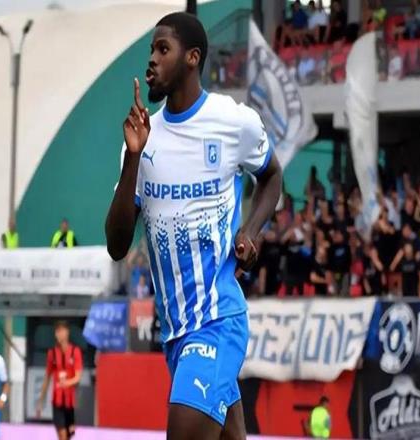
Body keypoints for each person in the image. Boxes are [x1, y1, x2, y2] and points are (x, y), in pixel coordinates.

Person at [105, 12, 282, 440]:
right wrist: (133, 158)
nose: (152, 59)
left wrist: (250, 232)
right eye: (151, 50)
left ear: (192, 58)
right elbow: (116, 245)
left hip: (218, 320)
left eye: (163, 49)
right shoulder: (143, 140)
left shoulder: (232, 121)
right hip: (175, 332)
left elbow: (272, 176)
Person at [37, 321, 83, 440]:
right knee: (62, 434)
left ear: (67, 332)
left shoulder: (75, 351)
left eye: (61, 331)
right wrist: (40, 400)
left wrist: (67, 383)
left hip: (70, 402)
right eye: (57, 332)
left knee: (67, 436)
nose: (59, 334)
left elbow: (78, 377)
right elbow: (47, 377)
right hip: (57, 402)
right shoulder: (52, 353)